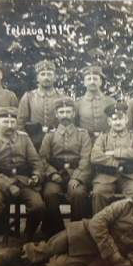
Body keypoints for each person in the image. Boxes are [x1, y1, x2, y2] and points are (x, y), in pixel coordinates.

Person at [0, 188, 133, 266]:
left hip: (96, 256)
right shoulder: (124, 206)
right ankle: (2, 260)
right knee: (46, 249)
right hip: (82, 233)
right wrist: (113, 253)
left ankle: (23, 262)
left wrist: (129, 265)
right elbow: (97, 223)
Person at [0, 107, 45, 256]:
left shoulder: (24, 138)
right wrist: (9, 185)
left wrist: (36, 176)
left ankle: (27, 239)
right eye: (5, 121)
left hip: (22, 181)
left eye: (12, 121)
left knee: (38, 206)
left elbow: (36, 162)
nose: (9, 125)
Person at [40, 97, 92, 236]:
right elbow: (42, 159)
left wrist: (77, 178)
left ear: (74, 114)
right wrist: (52, 174)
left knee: (78, 193)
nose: (65, 115)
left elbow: (86, 158)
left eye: (68, 112)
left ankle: (77, 233)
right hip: (56, 174)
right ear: (57, 115)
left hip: (76, 173)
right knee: (50, 193)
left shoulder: (83, 134)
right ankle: (56, 233)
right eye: (61, 112)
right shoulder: (49, 136)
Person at [91, 102, 133, 214]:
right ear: (109, 122)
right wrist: (116, 162)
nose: (118, 122)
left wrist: (115, 152)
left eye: (120, 118)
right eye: (114, 119)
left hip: (131, 176)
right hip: (107, 176)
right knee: (98, 192)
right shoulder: (103, 137)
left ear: (126, 120)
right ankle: (99, 225)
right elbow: (95, 156)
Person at [17, 59, 64, 149]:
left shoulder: (62, 97)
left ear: (55, 77)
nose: (46, 77)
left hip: (56, 141)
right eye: (43, 74)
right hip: (33, 141)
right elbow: (20, 123)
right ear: (37, 78)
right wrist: (26, 142)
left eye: (49, 74)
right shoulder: (28, 97)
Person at [74, 65, 115, 140]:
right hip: (85, 141)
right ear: (84, 83)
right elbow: (75, 126)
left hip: (107, 140)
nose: (92, 82)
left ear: (100, 82)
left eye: (95, 79)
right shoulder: (78, 104)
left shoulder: (110, 101)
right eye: (89, 79)